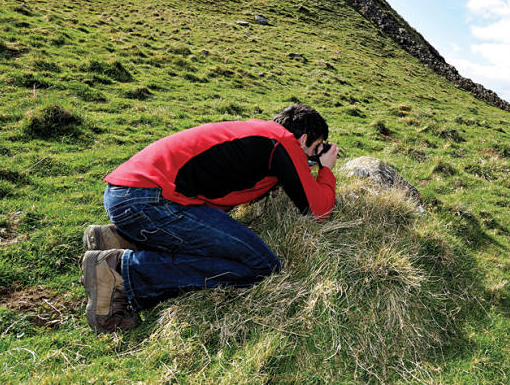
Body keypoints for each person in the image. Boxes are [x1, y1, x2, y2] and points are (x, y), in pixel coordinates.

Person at [79, 104, 339, 333]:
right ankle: (120, 272)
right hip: (149, 201)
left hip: (127, 196)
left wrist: (304, 168)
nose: (316, 157)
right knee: (263, 266)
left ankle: (121, 240)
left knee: (233, 249)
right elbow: (319, 211)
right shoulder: (283, 142)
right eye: (317, 148)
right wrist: (325, 170)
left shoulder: (260, 135)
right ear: (303, 139)